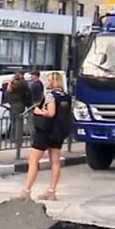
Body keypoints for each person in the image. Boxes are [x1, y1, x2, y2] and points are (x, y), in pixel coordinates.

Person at [18, 71, 72, 201]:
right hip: (58, 132)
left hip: (45, 130)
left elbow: (51, 113)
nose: (46, 82)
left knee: (33, 160)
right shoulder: (66, 95)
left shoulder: (50, 96)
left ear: (53, 81)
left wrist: (39, 111)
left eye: (48, 80)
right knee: (55, 161)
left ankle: (26, 191)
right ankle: (51, 191)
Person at [6, 71, 31, 142]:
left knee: (17, 122)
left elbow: (9, 89)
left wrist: (10, 82)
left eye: (16, 74)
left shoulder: (21, 83)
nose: (14, 75)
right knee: (14, 122)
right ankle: (13, 138)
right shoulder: (20, 82)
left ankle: (17, 138)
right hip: (15, 104)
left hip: (17, 104)